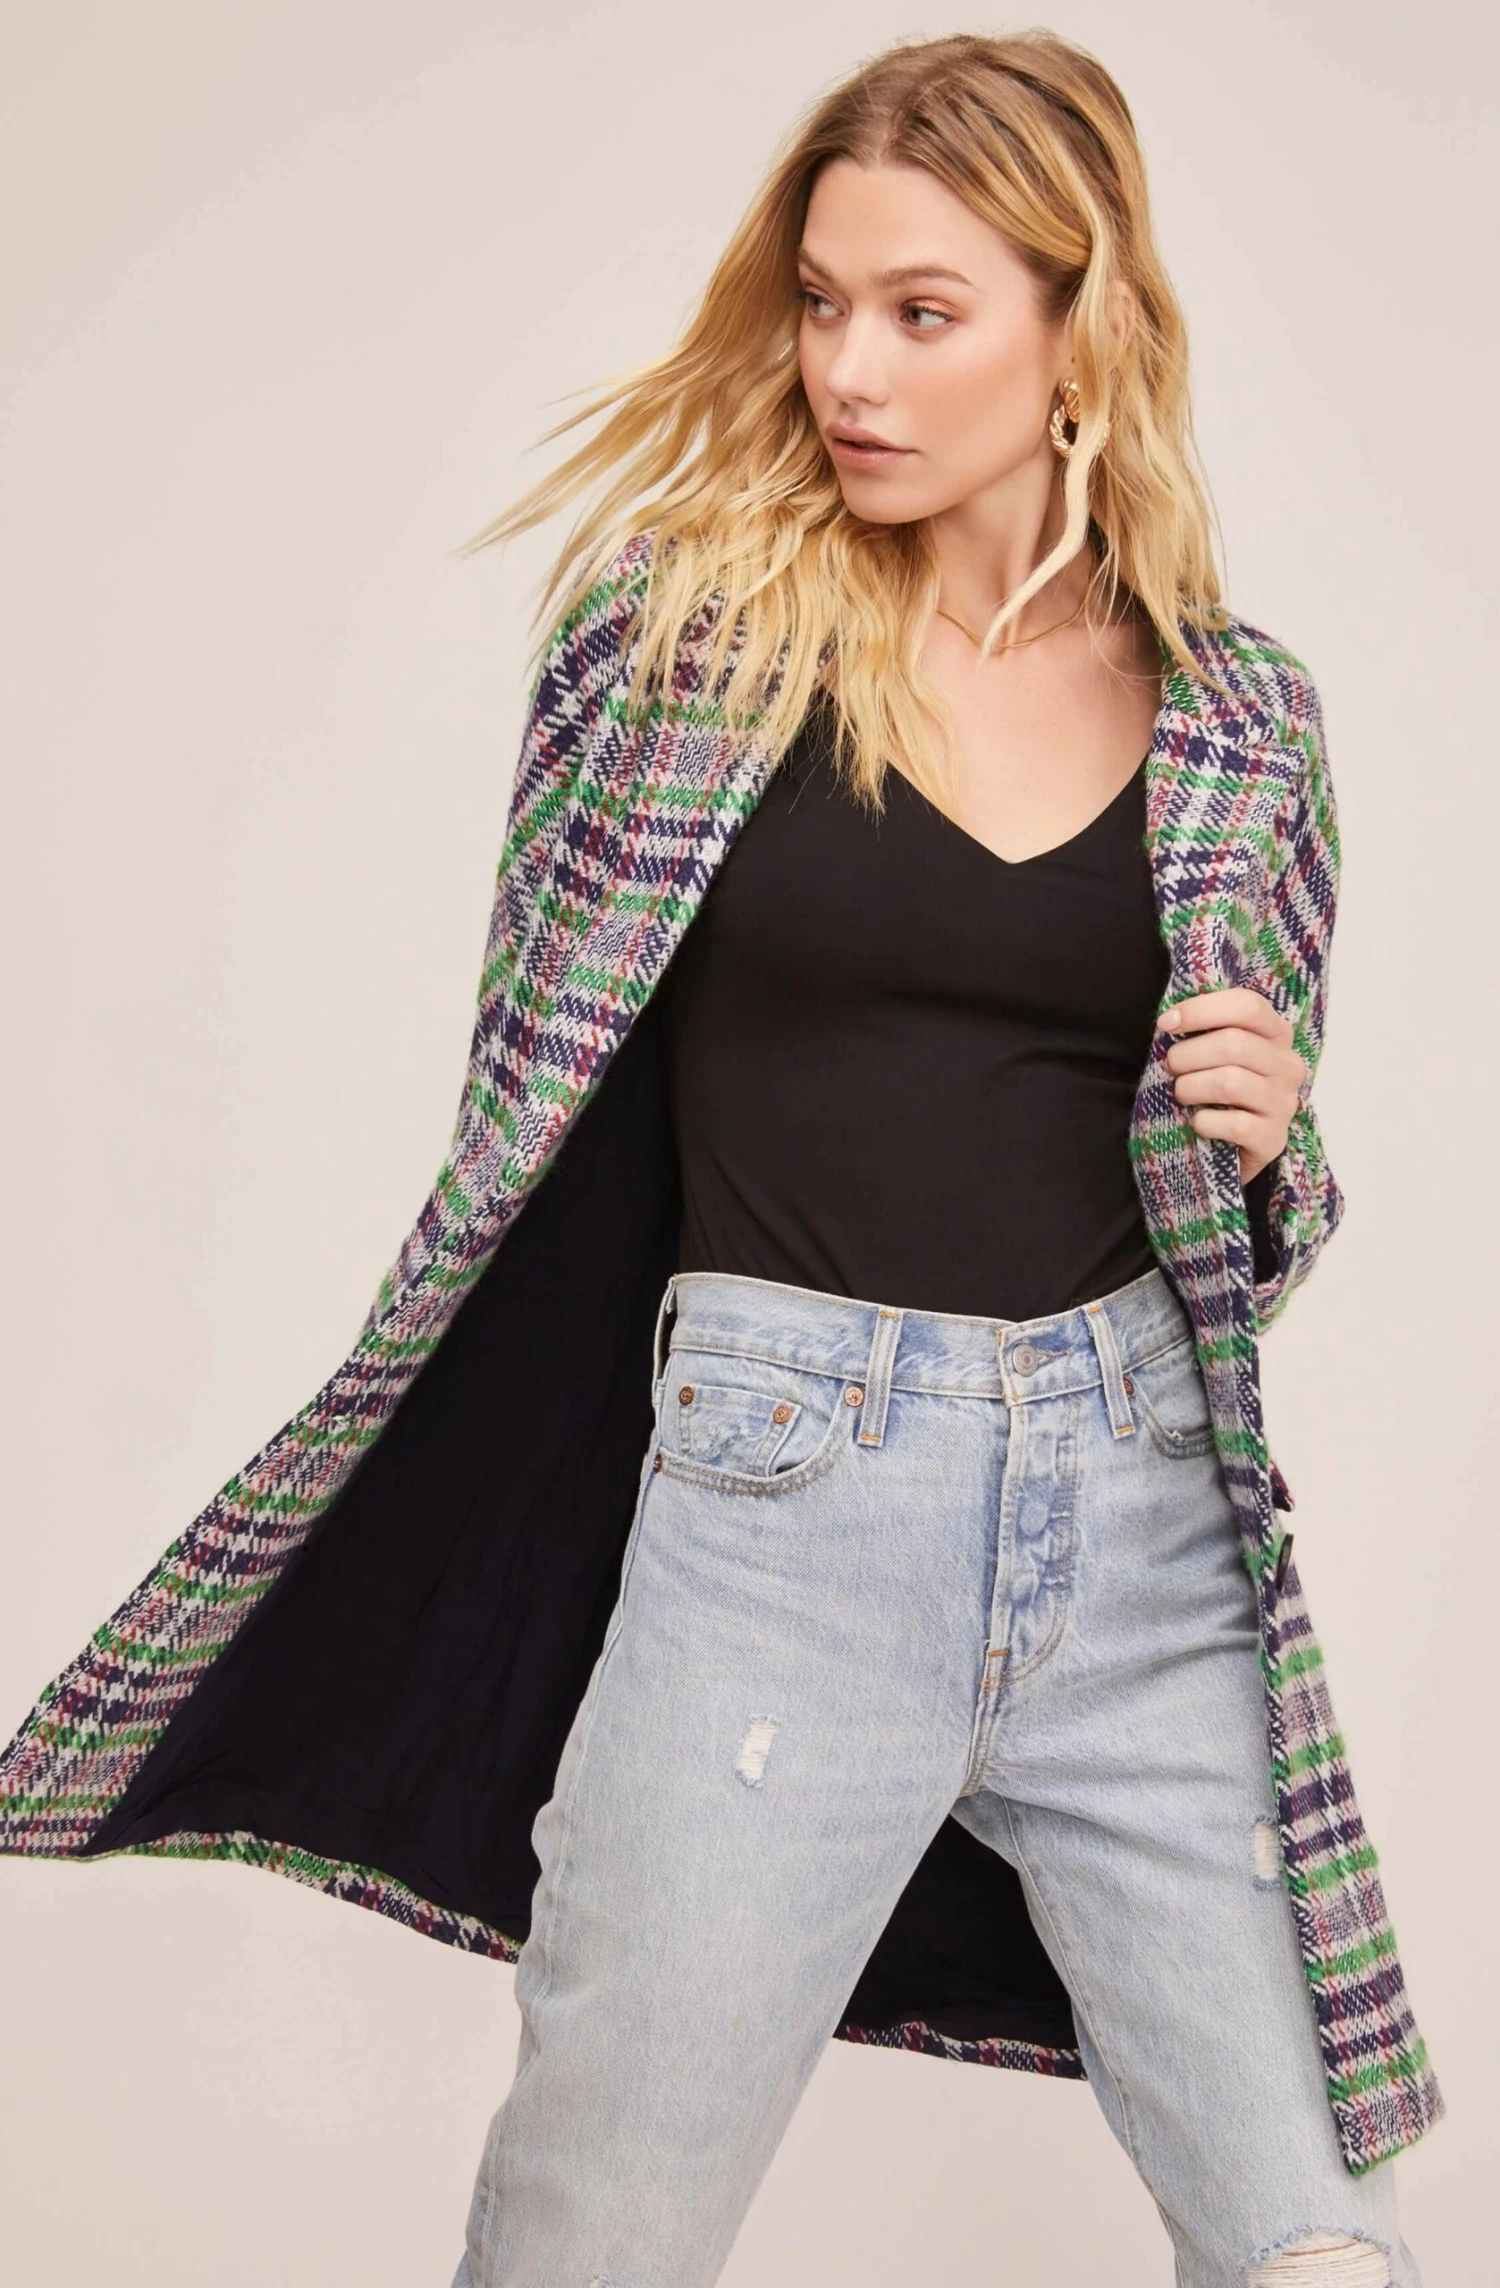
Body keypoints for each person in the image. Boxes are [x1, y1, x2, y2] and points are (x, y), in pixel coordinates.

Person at [0, 28, 1442, 2288]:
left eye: (925, 310)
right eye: (824, 301)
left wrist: (1271, 1148)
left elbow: (1246, 1217)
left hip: (1143, 1526)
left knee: (1317, 2248)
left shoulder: (1243, 718)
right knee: (600, 2234)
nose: (849, 366)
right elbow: (529, 1111)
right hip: (783, 1526)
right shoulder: (684, 644)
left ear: (1082, 327)